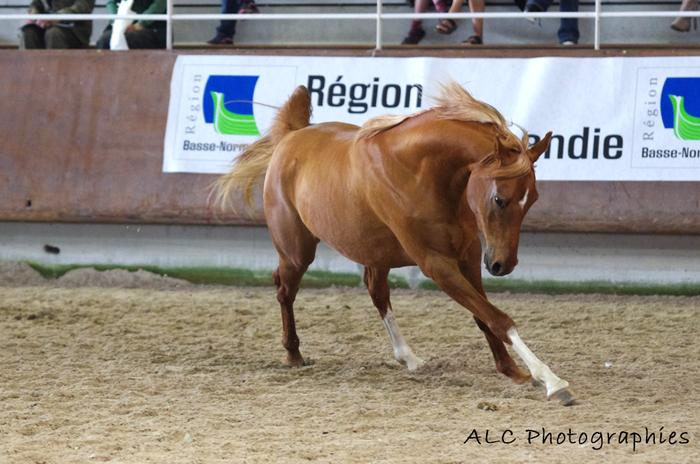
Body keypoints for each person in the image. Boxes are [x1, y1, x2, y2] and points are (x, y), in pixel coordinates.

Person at [20, 0, 95, 49]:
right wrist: (34, 10)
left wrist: (58, 17)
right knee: (29, 31)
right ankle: (33, 70)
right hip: (48, 24)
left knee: (53, 34)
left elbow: (83, 7)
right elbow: (39, 2)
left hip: (75, 29)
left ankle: (55, 71)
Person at [96, 0, 167, 49]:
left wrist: (139, 25)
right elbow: (111, 2)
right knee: (104, 41)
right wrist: (118, 22)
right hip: (119, 26)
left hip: (154, 28)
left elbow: (159, 5)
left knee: (130, 39)